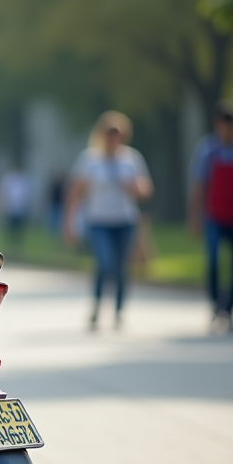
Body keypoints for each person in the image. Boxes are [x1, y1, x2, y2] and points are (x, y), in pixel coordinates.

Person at [65, 111, 153, 331]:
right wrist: (69, 222)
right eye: (109, 133)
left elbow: (146, 190)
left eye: (118, 134)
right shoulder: (90, 160)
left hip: (125, 221)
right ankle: (96, 306)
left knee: (123, 267)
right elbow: (75, 192)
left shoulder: (131, 159)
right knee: (105, 264)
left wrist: (132, 186)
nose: (113, 138)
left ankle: (119, 310)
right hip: (99, 221)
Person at [188, 101, 233, 333]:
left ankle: (230, 309)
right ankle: (214, 305)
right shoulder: (207, 150)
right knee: (213, 262)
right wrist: (195, 217)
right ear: (217, 125)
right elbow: (200, 186)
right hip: (214, 216)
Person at [0, 166, 32, 252]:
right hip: (10, 209)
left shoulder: (24, 179)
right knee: (10, 231)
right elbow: (4, 192)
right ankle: (10, 248)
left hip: (20, 209)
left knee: (19, 231)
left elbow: (27, 194)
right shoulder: (8, 179)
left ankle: (18, 249)